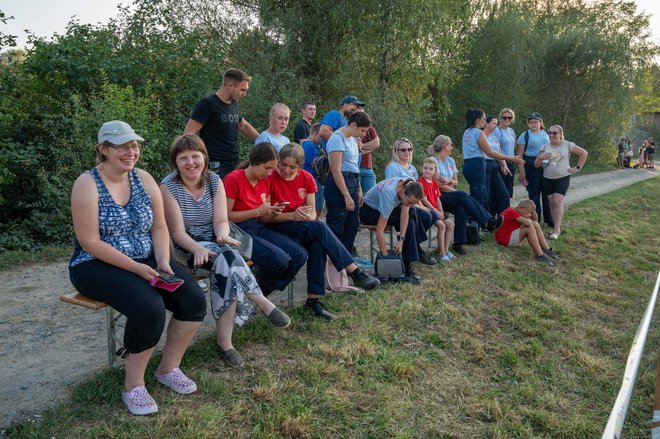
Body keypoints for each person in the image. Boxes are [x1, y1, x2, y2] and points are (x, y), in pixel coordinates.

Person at [69, 121, 207, 415]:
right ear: (103, 149)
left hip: (145, 258)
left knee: (193, 299)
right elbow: (90, 241)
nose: (131, 152)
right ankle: (133, 386)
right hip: (95, 264)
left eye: (134, 145)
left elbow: (159, 226)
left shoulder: (144, 179)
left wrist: (163, 262)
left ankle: (168, 369)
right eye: (121, 146)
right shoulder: (87, 183)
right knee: (149, 307)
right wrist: (135, 268)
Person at [160, 134, 291, 368]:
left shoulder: (213, 181)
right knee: (228, 259)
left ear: (205, 158)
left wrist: (222, 235)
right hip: (186, 247)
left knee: (226, 265)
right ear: (175, 162)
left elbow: (221, 220)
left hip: (216, 242)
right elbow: (177, 232)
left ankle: (226, 343)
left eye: (195, 156)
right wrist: (198, 247)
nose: (190, 163)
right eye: (183, 158)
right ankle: (259, 303)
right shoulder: (168, 186)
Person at [266, 143, 380, 320]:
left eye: (292, 167)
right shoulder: (270, 177)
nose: (287, 170)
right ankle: (354, 271)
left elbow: (312, 212)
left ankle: (313, 301)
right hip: (277, 227)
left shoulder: (306, 178)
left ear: (300, 166)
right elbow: (266, 218)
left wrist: (305, 216)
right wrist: (292, 216)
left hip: (300, 226)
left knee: (318, 243)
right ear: (278, 162)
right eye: (283, 165)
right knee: (319, 228)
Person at [223, 142, 307, 297]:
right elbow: (225, 215)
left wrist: (272, 211)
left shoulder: (264, 180)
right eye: (267, 168)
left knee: (299, 255)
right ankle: (256, 295)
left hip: (260, 226)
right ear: (255, 162)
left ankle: (259, 292)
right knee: (280, 259)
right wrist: (256, 211)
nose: (270, 173)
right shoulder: (234, 179)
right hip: (238, 231)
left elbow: (263, 215)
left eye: (272, 169)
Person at [427, 134, 502, 255]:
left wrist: (450, 181)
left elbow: (456, 182)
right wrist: (455, 191)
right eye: (450, 144)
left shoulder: (450, 161)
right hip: (436, 198)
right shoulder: (433, 161)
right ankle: (487, 221)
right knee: (462, 196)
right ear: (445, 146)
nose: (452, 147)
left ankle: (458, 243)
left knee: (461, 207)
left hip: (450, 195)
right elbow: (437, 185)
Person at [184, 68, 259, 178]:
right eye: (242, 90)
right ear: (230, 86)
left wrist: (266, 141)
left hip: (233, 162)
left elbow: (243, 126)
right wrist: (194, 160)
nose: (245, 94)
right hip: (214, 164)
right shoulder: (208, 104)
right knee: (218, 194)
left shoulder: (234, 105)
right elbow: (188, 134)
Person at [360, 178, 434, 285]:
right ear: (404, 192)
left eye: (414, 203)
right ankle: (409, 263)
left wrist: (402, 240)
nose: (411, 204)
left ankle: (408, 264)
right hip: (368, 212)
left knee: (412, 213)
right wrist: (386, 262)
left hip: (378, 208)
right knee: (413, 212)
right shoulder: (389, 195)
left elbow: (405, 215)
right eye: (410, 202)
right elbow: (379, 231)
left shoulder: (407, 185)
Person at [324, 111, 371, 253]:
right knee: (337, 225)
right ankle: (331, 261)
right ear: (354, 125)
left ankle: (344, 259)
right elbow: (336, 170)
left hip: (353, 181)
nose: (363, 134)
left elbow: (354, 166)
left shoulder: (351, 138)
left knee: (352, 224)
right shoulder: (337, 138)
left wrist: (358, 190)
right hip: (339, 184)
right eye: (362, 130)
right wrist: (346, 195)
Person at [462, 108, 524, 210]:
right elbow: (490, 153)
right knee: (481, 195)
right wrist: (511, 158)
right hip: (478, 164)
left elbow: (496, 151)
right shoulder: (478, 133)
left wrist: (504, 164)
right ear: (478, 120)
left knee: (479, 193)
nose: (485, 120)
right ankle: (481, 221)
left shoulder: (467, 132)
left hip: (470, 164)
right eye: (484, 118)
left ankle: (484, 220)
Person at [534, 125, 588, 240]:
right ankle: (555, 227)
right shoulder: (544, 147)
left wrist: (578, 167)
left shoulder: (567, 145)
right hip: (547, 178)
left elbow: (584, 153)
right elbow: (536, 165)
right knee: (552, 203)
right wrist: (540, 157)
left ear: (560, 134)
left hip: (562, 177)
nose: (552, 135)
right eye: (550, 133)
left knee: (557, 201)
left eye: (555, 133)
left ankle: (557, 229)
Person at [515, 112, 553, 227]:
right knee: (534, 193)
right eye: (531, 122)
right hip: (530, 165)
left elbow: (556, 148)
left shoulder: (547, 134)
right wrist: (522, 172)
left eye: (536, 122)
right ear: (528, 124)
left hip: (547, 165)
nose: (533, 124)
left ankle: (549, 220)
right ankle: (536, 219)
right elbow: (519, 155)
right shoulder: (524, 135)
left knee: (547, 193)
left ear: (541, 123)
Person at [495, 200, 559, 266]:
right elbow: (528, 223)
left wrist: (533, 210)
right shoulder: (511, 211)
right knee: (529, 228)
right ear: (521, 208)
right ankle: (540, 255)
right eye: (526, 213)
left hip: (509, 235)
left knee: (535, 224)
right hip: (504, 239)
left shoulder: (519, 211)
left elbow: (535, 220)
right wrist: (528, 219)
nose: (527, 215)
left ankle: (546, 249)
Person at [418, 158, 455, 262]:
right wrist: (436, 211)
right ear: (422, 169)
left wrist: (442, 211)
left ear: (434, 171)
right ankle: (442, 253)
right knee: (442, 226)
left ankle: (446, 250)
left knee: (451, 225)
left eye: (430, 169)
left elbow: (438, 198)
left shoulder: (434, 183)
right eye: (425, 168)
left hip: (438, 210)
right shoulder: (420, 182)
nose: (427, 171)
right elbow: (424, 200)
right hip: (429, 210)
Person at [483, 115, 512, 216]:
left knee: (504, 195)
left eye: (496, 123)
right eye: (493, 123)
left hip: (495, 165)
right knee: (486, 195)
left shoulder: (494, 138)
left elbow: (498, 152)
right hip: (484, 165)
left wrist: (504, 165)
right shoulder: (481, 136)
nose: (495, 126)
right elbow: (489, 153)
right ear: (486, 123)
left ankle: (504, 219)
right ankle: (486, 220)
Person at [301, 123, 325, 219]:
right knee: (316, 209)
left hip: (316, 180)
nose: (322, 140)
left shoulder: (314, 146)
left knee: (318, 209)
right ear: (315, 134)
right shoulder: (309, 146)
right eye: (321, 137)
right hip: (314, 179)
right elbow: (316, 164)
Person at [493, 108, 517, 197]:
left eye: (509, 118)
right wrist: (502, 164)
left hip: (511, 161)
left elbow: (514, 143)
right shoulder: (497, 131)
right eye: (504, 117)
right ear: (500, 118)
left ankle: (507, 209)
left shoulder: (511, 131)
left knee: (509, 189)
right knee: (501, 191)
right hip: (501, 162)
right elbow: (495, 148)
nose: (507, 119)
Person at [359, 124, 381, 193]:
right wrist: (370, 147)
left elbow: (376, 143)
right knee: (355, 198)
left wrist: (361, 146)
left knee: (372, 196)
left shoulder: (368, 127)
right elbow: (352, 152)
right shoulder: (351, 128)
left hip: (368, 169)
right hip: (355, 169)